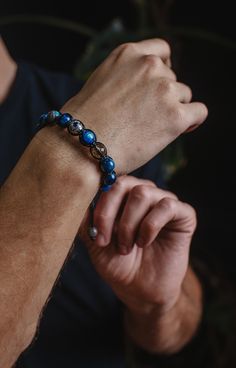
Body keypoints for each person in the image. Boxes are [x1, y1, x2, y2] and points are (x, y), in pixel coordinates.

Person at [0, 36, 207, 367]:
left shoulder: (115, 109)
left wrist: (156, 306)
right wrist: (70, 152)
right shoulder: (94, 122)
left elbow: (180, 324)